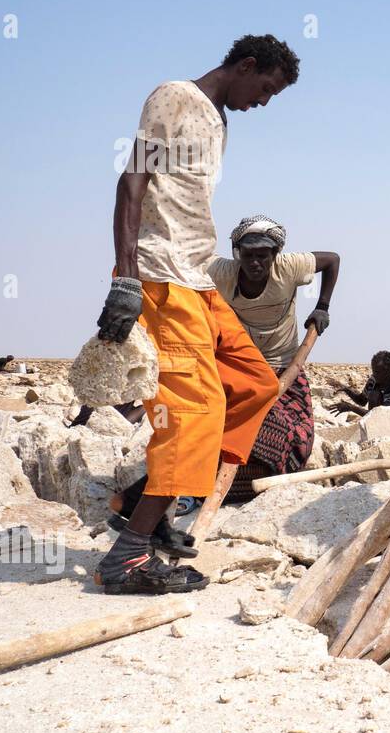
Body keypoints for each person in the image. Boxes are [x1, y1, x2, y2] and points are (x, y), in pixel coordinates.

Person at [92, 35, 299, 594]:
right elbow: (132, 181)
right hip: (161, 279)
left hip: (196, 278)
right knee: (195, 414)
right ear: (246, 66)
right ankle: (129, 555)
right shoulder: (176, 97)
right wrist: (127, 276)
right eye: (266, 89)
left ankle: (144, 499)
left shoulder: (218, 120)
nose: (264, 102)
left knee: (256, 383)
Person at [207, 215, 339, 503]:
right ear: (238, 254)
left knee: (292, 430)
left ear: (274, 255)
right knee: (223, 421)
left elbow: (332, 260)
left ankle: (257, 479)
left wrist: (323, 307)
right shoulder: (221, 272)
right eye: (249, 255)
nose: (255, 263)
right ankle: (211, 481)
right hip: (241, 364)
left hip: (283, 363)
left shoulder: (289, 267)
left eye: (263, 256)